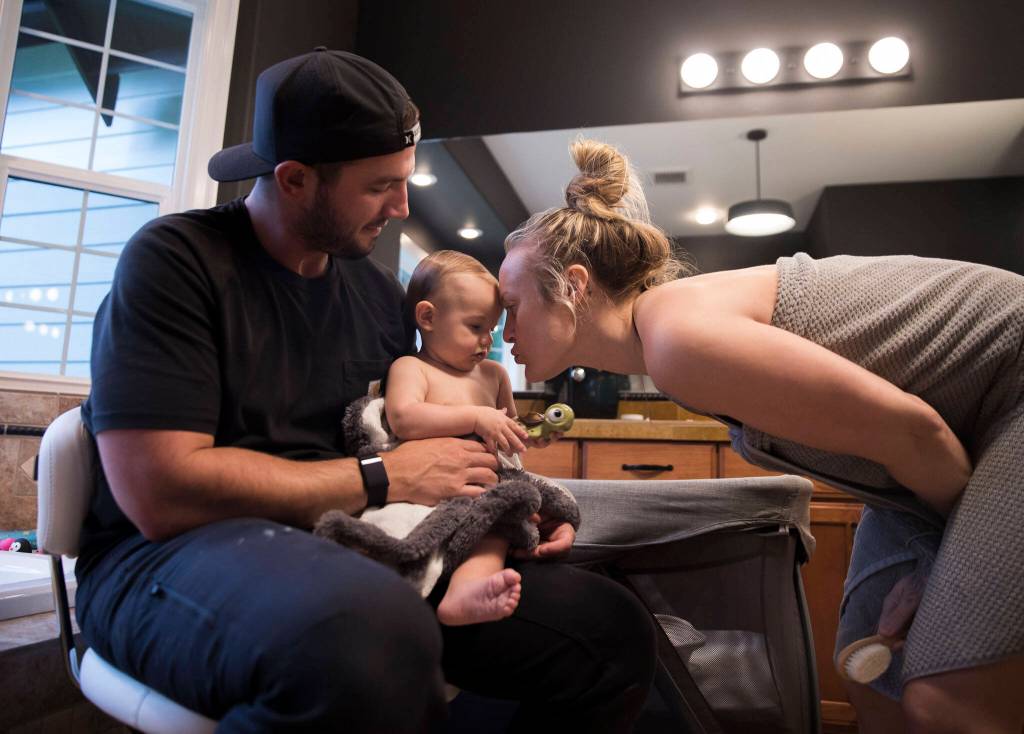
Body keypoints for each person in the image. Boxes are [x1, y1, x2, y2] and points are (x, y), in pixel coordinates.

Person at [74, 52, 655, 733]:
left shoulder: (378, 295)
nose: (402, 207)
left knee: (610, 631)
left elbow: (406, 437)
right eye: (381, 186)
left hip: (350, 543)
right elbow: (160, 493)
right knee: (370, 643)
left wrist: (501, 510)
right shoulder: (176, 263)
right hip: (161, 559)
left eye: (403, 181)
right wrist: (383, 476)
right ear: (295, 179)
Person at [497, 138, 1024, 734]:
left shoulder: (677, 339)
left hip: (1012, 391)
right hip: (948, 447)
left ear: (573, 286)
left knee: (947, 703)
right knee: (869, 672)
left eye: (513, 305)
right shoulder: (668, 339)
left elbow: (917, 434)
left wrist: (944, 563)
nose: (504, 330)